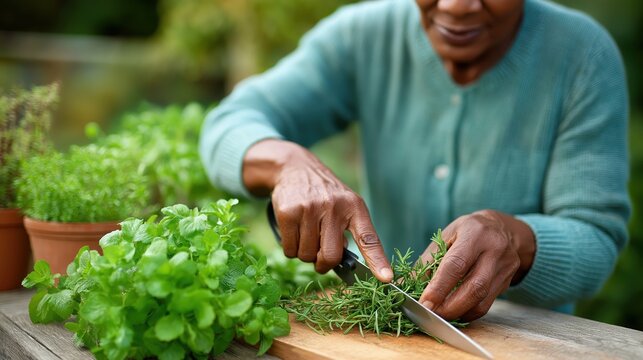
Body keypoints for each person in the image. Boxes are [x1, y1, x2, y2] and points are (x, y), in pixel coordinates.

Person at [199, 0, 630, 321]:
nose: (455, 7)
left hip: (526, 339)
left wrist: (517, 239)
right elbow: (226, 124)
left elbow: (595, 237)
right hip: (387, 330)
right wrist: (286, 164)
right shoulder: (363, 35)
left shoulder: (582, 55)